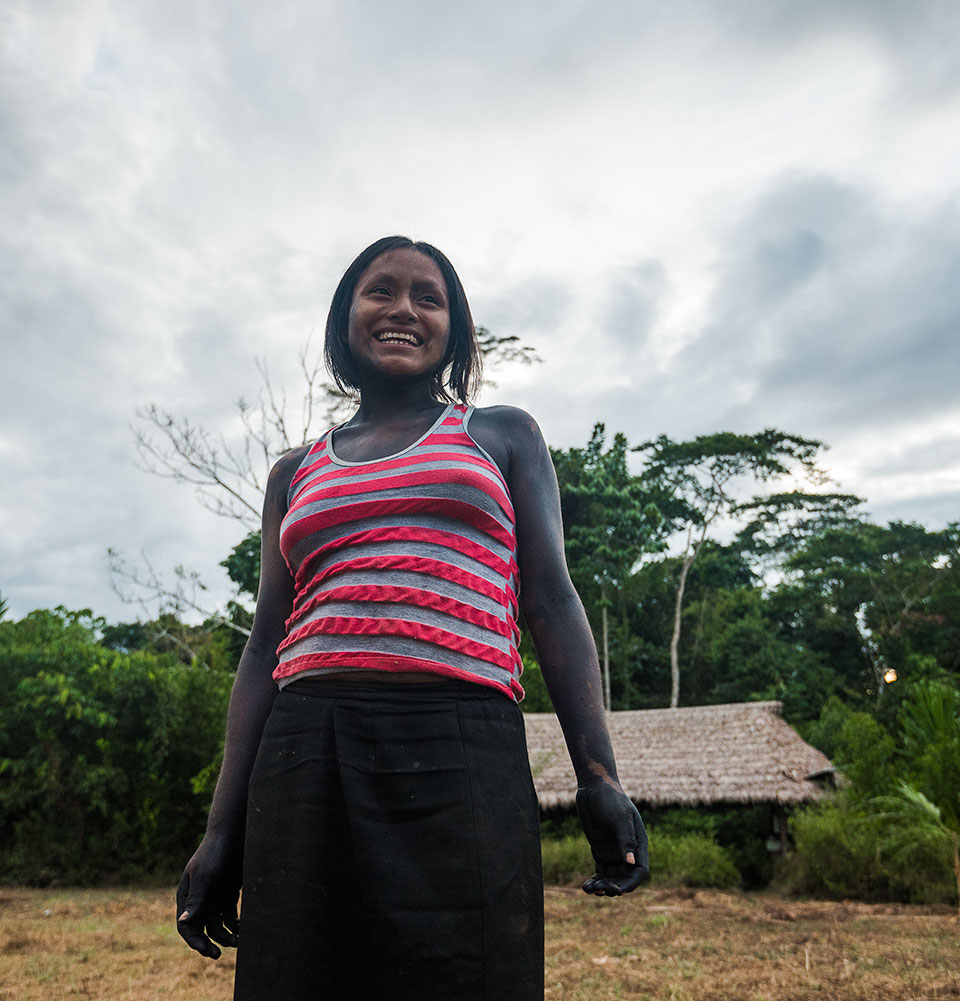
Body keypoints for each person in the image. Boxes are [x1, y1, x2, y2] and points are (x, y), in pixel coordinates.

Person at [176, 235, 648, 1001]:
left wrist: (600, 775)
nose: (402, 309)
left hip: (461, 745)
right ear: (345, 320)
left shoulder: (502, 436)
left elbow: (553, 600)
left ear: (455, 332)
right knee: (301, 975)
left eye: (428, 297)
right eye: (380, 291)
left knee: (467, 973)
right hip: (306, 750)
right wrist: (222, 831)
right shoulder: (294, 473)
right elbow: (266, 643)